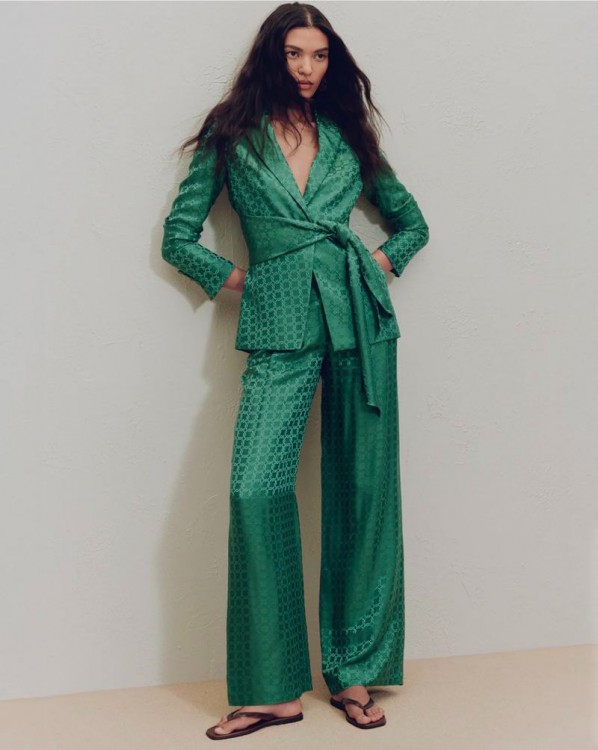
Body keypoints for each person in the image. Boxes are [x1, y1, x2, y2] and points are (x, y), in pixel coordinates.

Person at [161, 2, 429, 740]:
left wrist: (375, 266)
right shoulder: (232, 132)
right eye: (295, 54)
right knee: (255, 489)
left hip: (359, 325)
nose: (308, 68)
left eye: (319, 55)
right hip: (278, 325)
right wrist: (242, 281)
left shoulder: (348, 133)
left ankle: (354, 671)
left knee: (362, 493)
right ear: (271, 56)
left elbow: (412, 224)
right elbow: (178, 236)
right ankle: (271, 690)